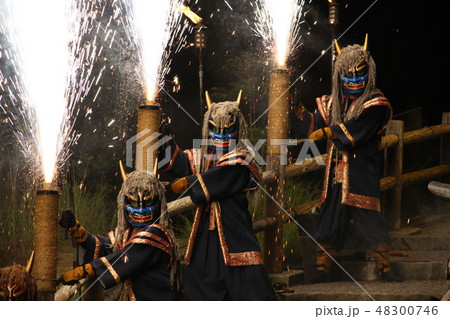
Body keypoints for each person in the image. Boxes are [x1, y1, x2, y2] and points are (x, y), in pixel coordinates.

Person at [295, 35, 401, 282]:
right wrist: (299, 112)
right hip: (335, 174)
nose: (354, 81)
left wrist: (329, 131)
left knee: (369, 218)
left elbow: (358, 129)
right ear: (339, 76)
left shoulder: (375, 103)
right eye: (348, 76)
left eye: (359, 75)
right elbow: (315, 124)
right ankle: (323, 268)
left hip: (361, 171)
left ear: (369, 73)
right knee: (329, 217)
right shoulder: (333, 102)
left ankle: (384, 266)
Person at [160, 91, 276, 300]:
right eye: (215, 130)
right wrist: (165, 140)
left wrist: (189, 182)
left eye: (227, 130)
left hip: (233, 228)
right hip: (206, 229)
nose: (221, 136)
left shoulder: (242, 159)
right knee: (202, 276)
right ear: (207, 128)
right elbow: (182, 164)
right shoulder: (204, 156)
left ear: (237, 129)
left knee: (247, 279)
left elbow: (220, 177)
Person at [57, 169, 181, 300]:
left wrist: (83, 271)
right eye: (134, 202)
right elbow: (105, 247)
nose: (140, 210)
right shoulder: (130, 232)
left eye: (148, 202)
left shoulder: (156, 233)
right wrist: (75, 228)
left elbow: (122, 259)